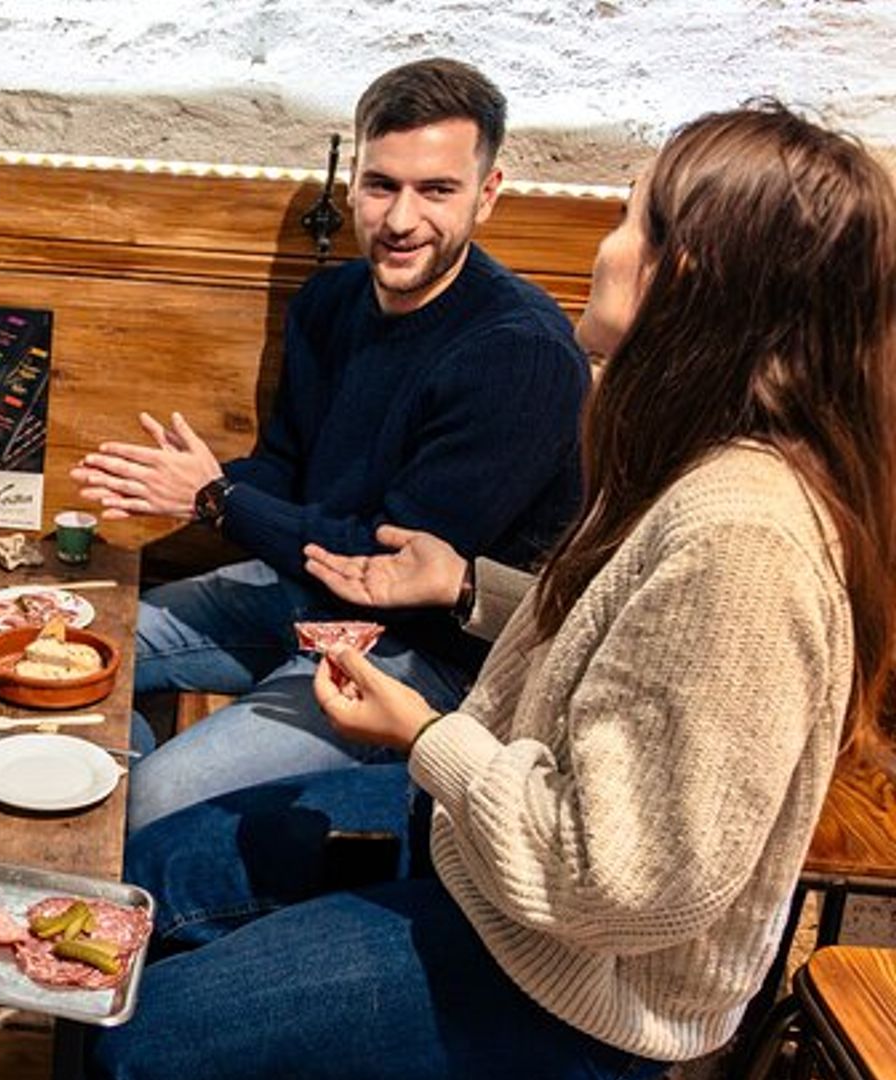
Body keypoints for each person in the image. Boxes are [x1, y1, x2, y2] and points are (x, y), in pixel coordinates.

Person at [89, 102, 896, 1079]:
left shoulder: (743, 535)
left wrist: (426, 734)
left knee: (133, 1038)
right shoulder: (694, 461)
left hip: (570, 986)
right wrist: (473, 586)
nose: (601, 248)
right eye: (381, 185)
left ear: (685, 275)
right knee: (127, 889)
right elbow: (623, 635)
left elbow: (621, 882)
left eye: (626, 219)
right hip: (488, 857)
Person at [71, 58, 591, 831]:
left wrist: (218, 500)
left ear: (488, 193)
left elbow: (384, 567)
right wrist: (201, 486)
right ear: (352, 182)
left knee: (154, 799)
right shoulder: (330, 300)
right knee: (72, 650)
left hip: (423, 657)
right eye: (382, 186)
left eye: (437, 190)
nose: (402, 218)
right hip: (302, 588)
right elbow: (288, 468)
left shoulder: (519, 355)